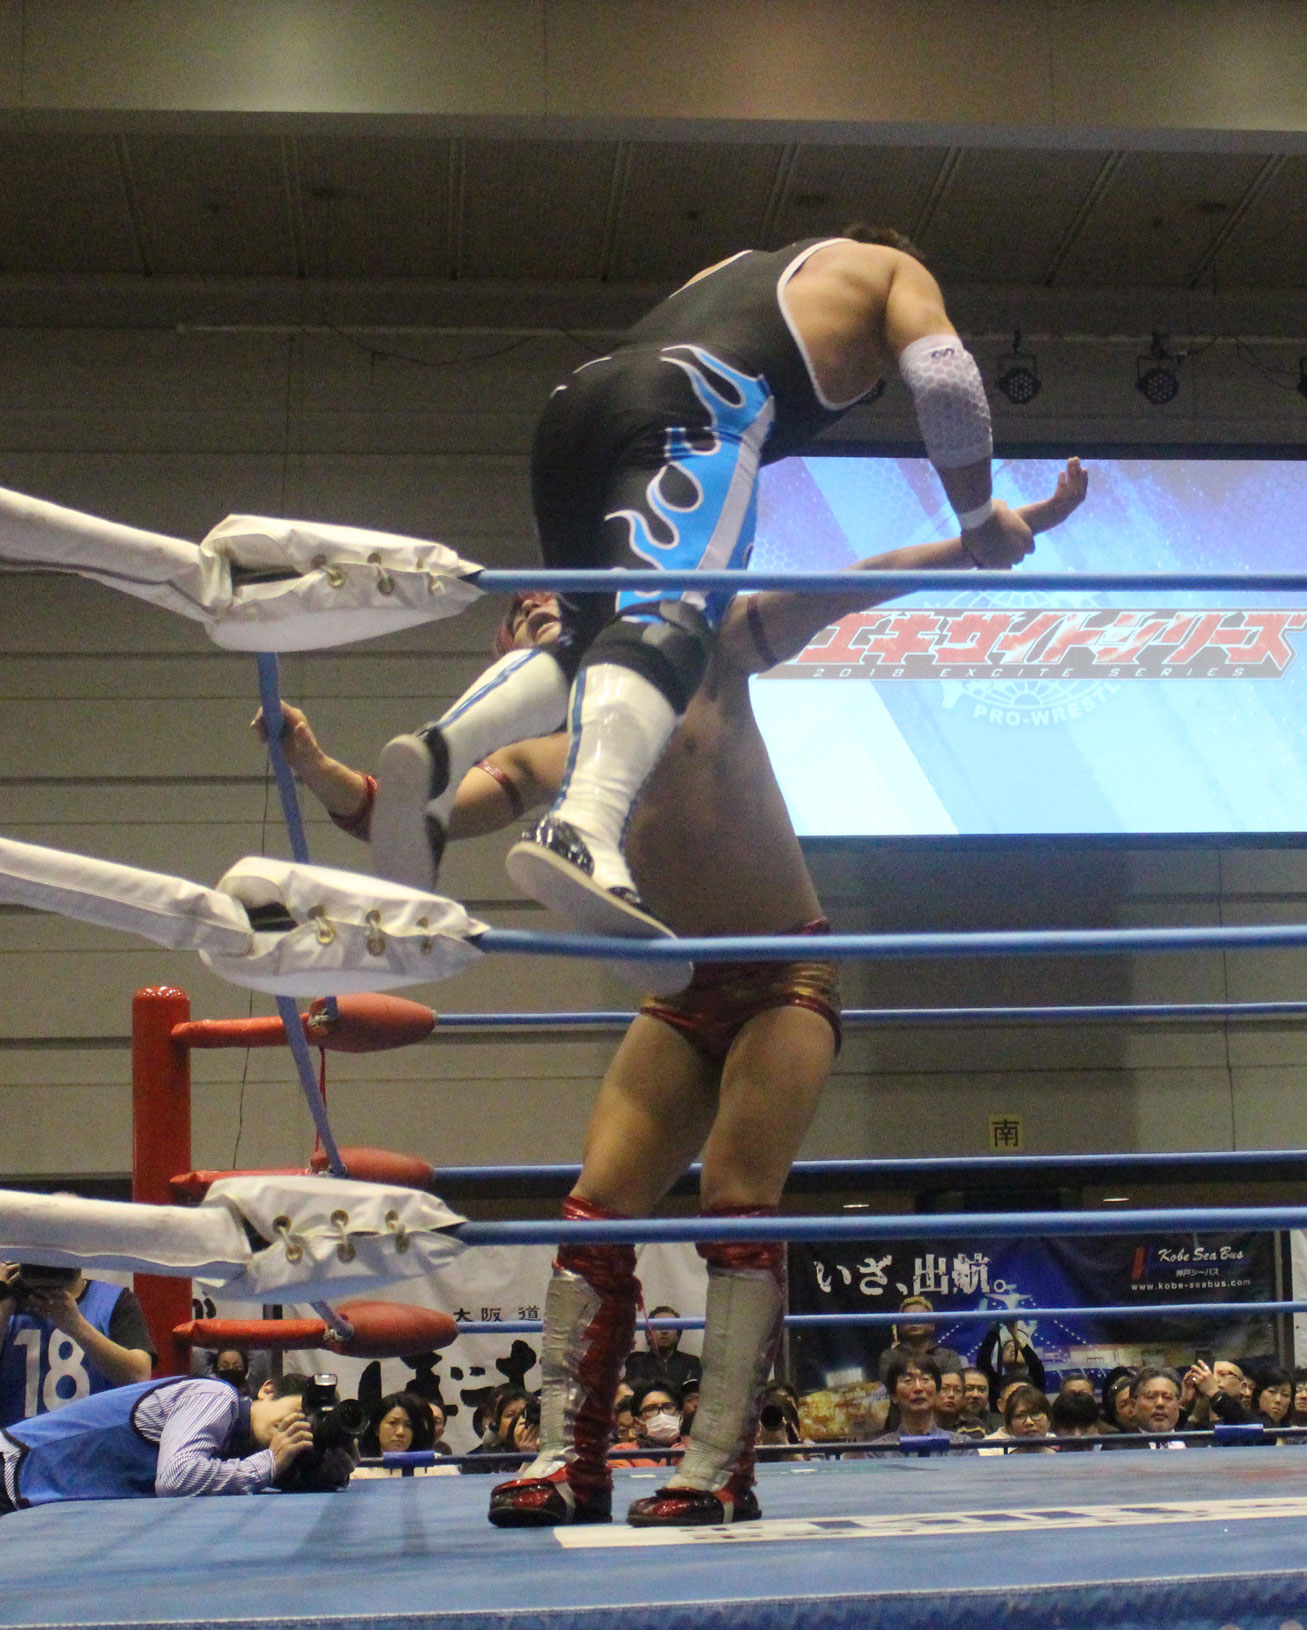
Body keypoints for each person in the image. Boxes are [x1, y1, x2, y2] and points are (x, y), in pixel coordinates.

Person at [260, 467, 1084, 1530]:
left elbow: (851, 582)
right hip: (680, 992)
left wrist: (979, 538)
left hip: (781, 973)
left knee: (735, 1203)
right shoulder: (543, 752)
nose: (540, 625)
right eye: (524, 623)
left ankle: (718, 1467)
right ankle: (570, 1460)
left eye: (553, 610)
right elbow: (408, 815)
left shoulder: (710, 652)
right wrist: (317, 766)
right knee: (593, 1213)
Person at [369, 227, 1034, 942]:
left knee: (588, 637)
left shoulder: (739, 268)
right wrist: (977, 522)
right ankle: (583, 828)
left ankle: (438, 755)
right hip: (700, 404)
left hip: (577, 405)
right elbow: (944, 380)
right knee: (671, 622)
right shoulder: (893, 270)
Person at [0, 1371, 349, 1510]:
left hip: (25, 1493)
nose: (295, 1428)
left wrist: (322, 1471)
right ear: (267, 1390)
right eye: (297, 1412)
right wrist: (268, 1464)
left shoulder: (231, 1448)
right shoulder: (215, 1396)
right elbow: (176, 1478)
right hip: (12, 1469)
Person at [1, 1263, 155, 1427]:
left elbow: (139, 1376)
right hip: (16, 1439)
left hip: (91, 1439)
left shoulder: (114, 1301)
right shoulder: (8, 1302)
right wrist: (3, 1304)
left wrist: (77, 1327)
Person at [875, 1297, 964, 1394]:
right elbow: (894, 1390)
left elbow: (949, 1390)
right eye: (908, 1318)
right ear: (900, 1326)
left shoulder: (948, 1357)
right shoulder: (889, 1357)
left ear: (932, 1325)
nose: (914, 1322)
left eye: (920, 1317)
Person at [624, 1309, 702, 1396]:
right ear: (649, 1335)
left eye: (670, 1326)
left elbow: (692, 1394)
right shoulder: (636, 1362)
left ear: (678, 1335)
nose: (664, 1331)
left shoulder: (691, 1363)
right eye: (658, 1326)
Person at [981, 1384, 1054, 1454]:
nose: (1029, 1422)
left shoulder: (1060, 1449)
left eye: (1035, 1413)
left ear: (1048, 1420)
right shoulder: (998, 1458)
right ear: (1009, 1426)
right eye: (1020, 1416)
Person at [1124, 1368, 1185, 1448]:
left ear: (1178, 1404)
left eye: (1167, 1397)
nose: (1160, 1403)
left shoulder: (1198, 1441)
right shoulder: (1117, 1448)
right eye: (1151, 1397)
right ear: (1133, 1405)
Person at [965, 1367, 1005, 1433]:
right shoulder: (947, 1423)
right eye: (969, 1388)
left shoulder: (1002, 1425)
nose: (975, 1395)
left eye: (982, 1389)